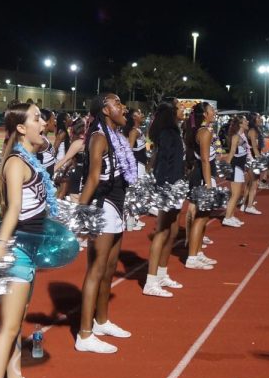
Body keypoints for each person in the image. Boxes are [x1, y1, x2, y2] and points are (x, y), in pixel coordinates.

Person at [0, 102, 56, 378]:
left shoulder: (29, 158)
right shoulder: (14, 162)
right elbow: (11, 211)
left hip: (29, 248)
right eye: (36, 118)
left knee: (14, 322)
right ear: (21, 127)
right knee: (7, 328)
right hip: (17, 249)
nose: (43, 121)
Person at [75, 94, 136, 353]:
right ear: (105, 110)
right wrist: (80, 213)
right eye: (117, 103)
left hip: (118, 201)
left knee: (109, 267)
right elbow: (92, 178)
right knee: (96, 269)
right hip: (103, 204)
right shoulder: (99, 137)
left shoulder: (118, 136)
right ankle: (84, 334)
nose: (122, 107)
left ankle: (101, 321)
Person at [145, 100, 188, 296]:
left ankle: (162, 273)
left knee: (171, 231)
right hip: (168, 186)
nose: (183, 111)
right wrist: (164, 188)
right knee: (161, 231)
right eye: (179, 109)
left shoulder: (174, 133)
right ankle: (150, 281)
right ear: (171, 114)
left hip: (175, 184)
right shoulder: (167, 134)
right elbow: (162, 163)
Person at [184, 102, 219, 269]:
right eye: (212, 110)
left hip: (205, 174)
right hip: (202, 177)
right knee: (200, 217)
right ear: (205, 114)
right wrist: (208, 184)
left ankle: (198, 252)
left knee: (204, 217)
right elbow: (205, 160)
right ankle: (191, 257)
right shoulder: (204, 132)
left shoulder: (206, 130)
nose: (214, 112)